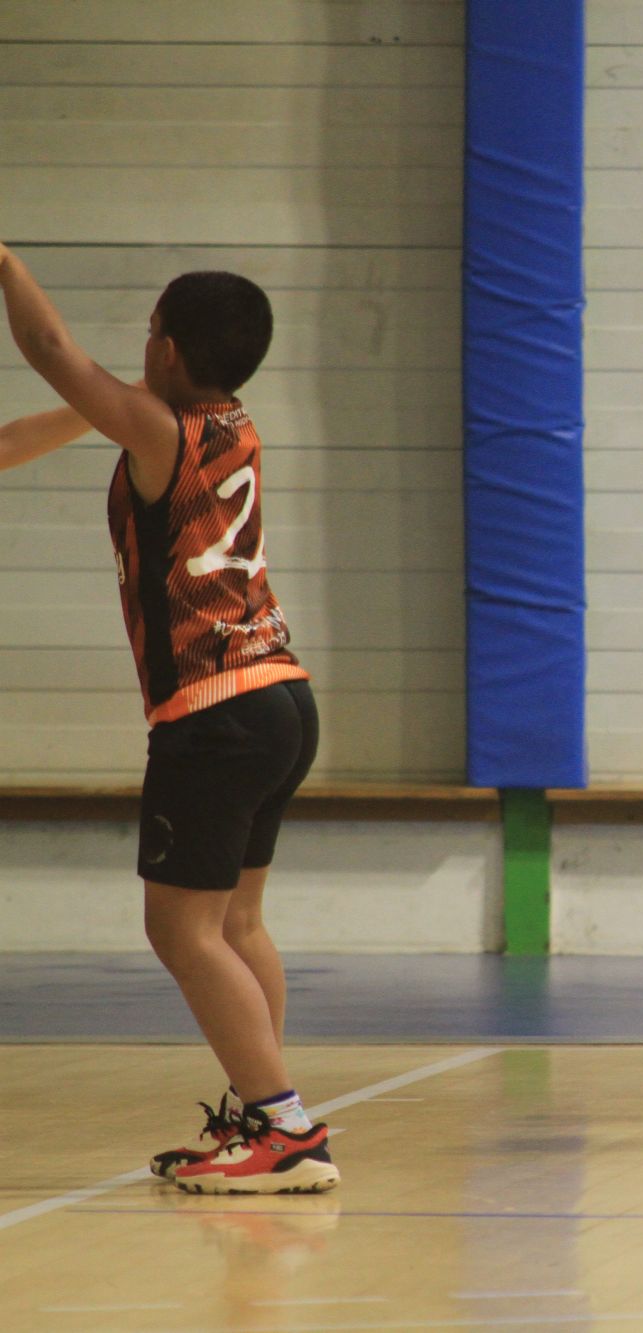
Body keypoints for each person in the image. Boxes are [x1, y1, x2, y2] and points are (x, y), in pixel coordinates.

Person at [0, 244, 337, 1194]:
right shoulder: (225, 421)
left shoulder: (159, 431)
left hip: (217, 714)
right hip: (280, 701)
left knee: (182, 932)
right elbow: (29, 432)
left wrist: (7, 264)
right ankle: (261, 1118)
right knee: (237, 923)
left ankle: (285, 1131)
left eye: (150, 328)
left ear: (168, 349)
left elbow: (51, 350)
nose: (140, 341)